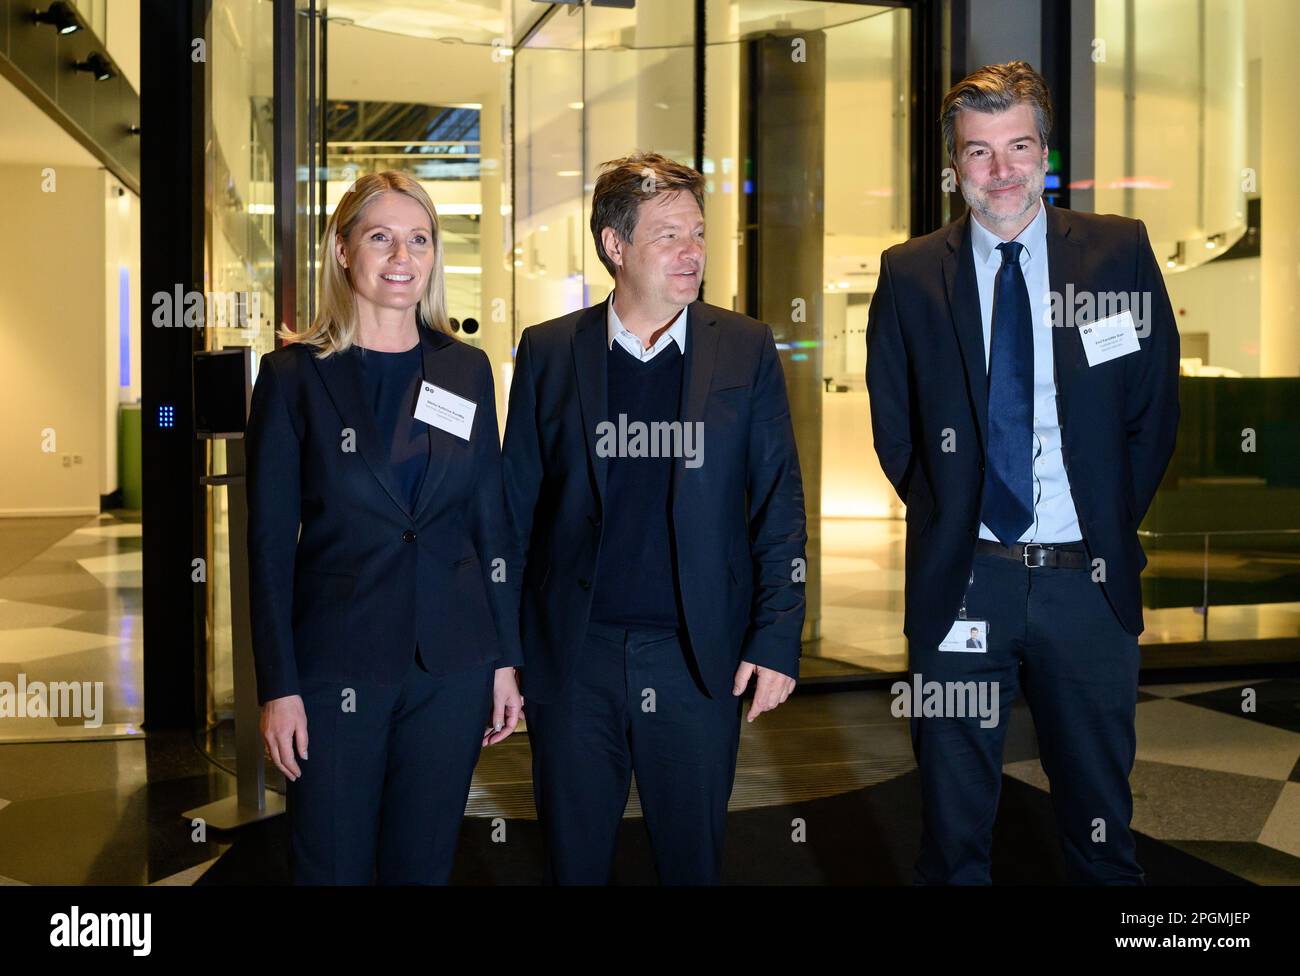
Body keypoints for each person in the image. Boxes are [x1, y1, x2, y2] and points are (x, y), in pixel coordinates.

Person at [865, 61, 1179, 884]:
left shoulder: (1117, 252)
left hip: (1089, 582)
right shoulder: (909, 272)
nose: (1000, 171)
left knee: (1101, 824)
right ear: (954, 164)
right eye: (979, 152)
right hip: (966, 580)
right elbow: (895, 427)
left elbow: (1152, 411)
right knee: (954, 821)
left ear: (1045, 151)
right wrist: (953, 521)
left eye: (1017, 146)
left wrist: (1102, 518)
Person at [502, 152, 807, 884]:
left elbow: (778, 503)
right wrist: (501, 654)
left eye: (698, 234)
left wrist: (776, 636)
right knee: (574, 862)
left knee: (692, 862)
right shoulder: (550, 352)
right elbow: (513, 511)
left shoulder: (744, 346)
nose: (691, 252)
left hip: (696, 659)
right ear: (616, 246)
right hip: (574, 659)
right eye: (669, 235)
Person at [245, 170, 524, 884]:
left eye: (419, 239)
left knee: (423, 864)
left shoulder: (465, 370)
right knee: (331, 863)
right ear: (343, 250)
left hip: (452, 668)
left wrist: (503, 659)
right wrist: (278, 689)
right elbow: (270, 551)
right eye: (381, 237)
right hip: (337, 667)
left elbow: (489, 522)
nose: (403, 257)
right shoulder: (293, 379)